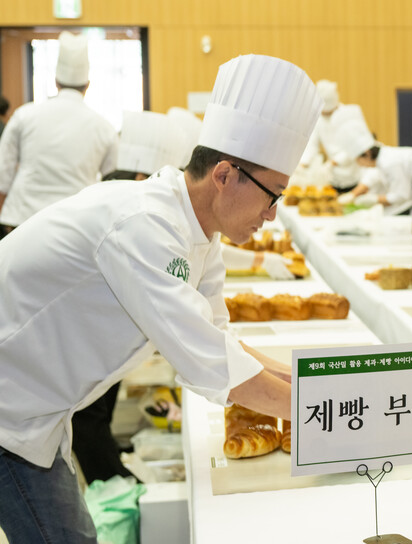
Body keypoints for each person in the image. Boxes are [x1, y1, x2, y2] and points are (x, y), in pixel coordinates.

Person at [0, 54, 322, 543]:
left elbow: (220, 343)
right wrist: (327, 409)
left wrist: (309, 381)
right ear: (225, 175)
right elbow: (214, 366)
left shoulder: (199, 235)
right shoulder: (144, 226)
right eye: (272, 195)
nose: (272, 215)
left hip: (35, 409)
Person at [71, 109, 189, 484]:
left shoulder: (122, 190)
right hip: (68, 335)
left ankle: (109, 459)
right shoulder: (125, 204)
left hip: (93, 327)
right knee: (87, 408)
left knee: (103, 392)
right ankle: (111, 478)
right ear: (144, 175)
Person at [0, 31, 118, 239]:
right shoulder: (104, 127)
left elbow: (3, 176)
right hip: (78, 226)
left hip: (22, 221)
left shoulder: (24, 115)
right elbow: (111, 182)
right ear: (87, 85)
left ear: (56, 81)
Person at [337, 119, 412, 251]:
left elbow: (401, 195)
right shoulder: (384, 158)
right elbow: (373, 178)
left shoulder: (390, 162)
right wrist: (354, 195)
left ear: (367, 154)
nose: (358, 164)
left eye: (358, 160)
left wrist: (374, 199)